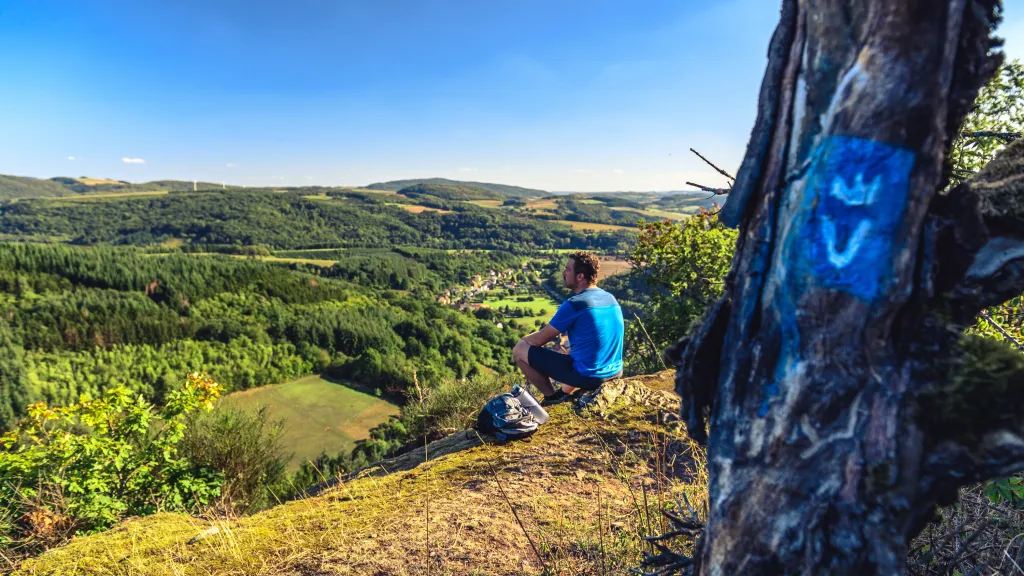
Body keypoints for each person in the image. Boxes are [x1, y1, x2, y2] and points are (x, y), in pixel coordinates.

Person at [512, 251, 624, 406]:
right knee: (573, 351)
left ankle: (551, 398)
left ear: (580, 276)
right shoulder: (609, 297)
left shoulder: (576, 303)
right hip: (615, 372)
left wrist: (524, 341)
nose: (563, 273)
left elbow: (540, 339)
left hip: (590, 377)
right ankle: (563, 393)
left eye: (568, 270)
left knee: (519, 349)